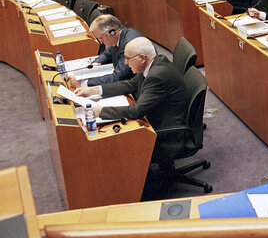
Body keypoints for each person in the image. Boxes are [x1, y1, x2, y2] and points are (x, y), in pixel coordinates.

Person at [73, 37, 187, 166]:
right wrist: (94, 90)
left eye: (128, 58)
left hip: (167, 132)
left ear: (142, 58)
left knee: (117, 143)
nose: (126, 63)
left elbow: (136, 111)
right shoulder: (155, 62)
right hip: (159, 115)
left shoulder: (156, 75)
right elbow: (130, 84)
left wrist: (101, 112)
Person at [67, 14, 146, 87]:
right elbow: (107, 54)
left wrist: (85, 83)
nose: (100, 42)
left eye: (101, 38)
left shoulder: (129, 45)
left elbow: (118, 76)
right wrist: (96, 63)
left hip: (137, 88)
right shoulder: (120, 35)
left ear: (112, 32)